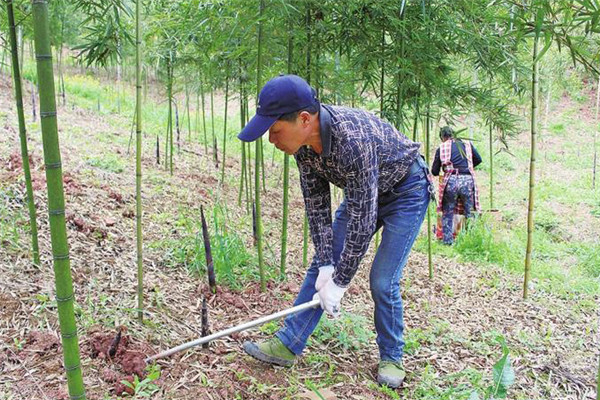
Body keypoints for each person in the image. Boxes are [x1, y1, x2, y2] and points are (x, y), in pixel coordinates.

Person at [237, 74, 433, 388]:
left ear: (303, 119)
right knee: (320, 266)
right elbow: (317, 205)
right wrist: (328, 264)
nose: (271, 140)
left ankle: (392, 356)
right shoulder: (303, 147)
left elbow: (363, 222)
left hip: (406, 191)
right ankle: (289, 343)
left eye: (274, 131)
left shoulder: (351, 140)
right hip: (364, 192)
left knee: (383, 280)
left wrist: (340, 283)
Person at [431, 126, 482, 245]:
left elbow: (434, 171)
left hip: (451, 180)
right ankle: (470, 240)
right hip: (468, 179)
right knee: (469, 212)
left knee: (448, 211)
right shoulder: (467, 144)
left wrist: (445, 168)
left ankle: (447, 241)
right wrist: (466, 167)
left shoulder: (442, 147)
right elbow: (478, 159)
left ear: (443, 137)